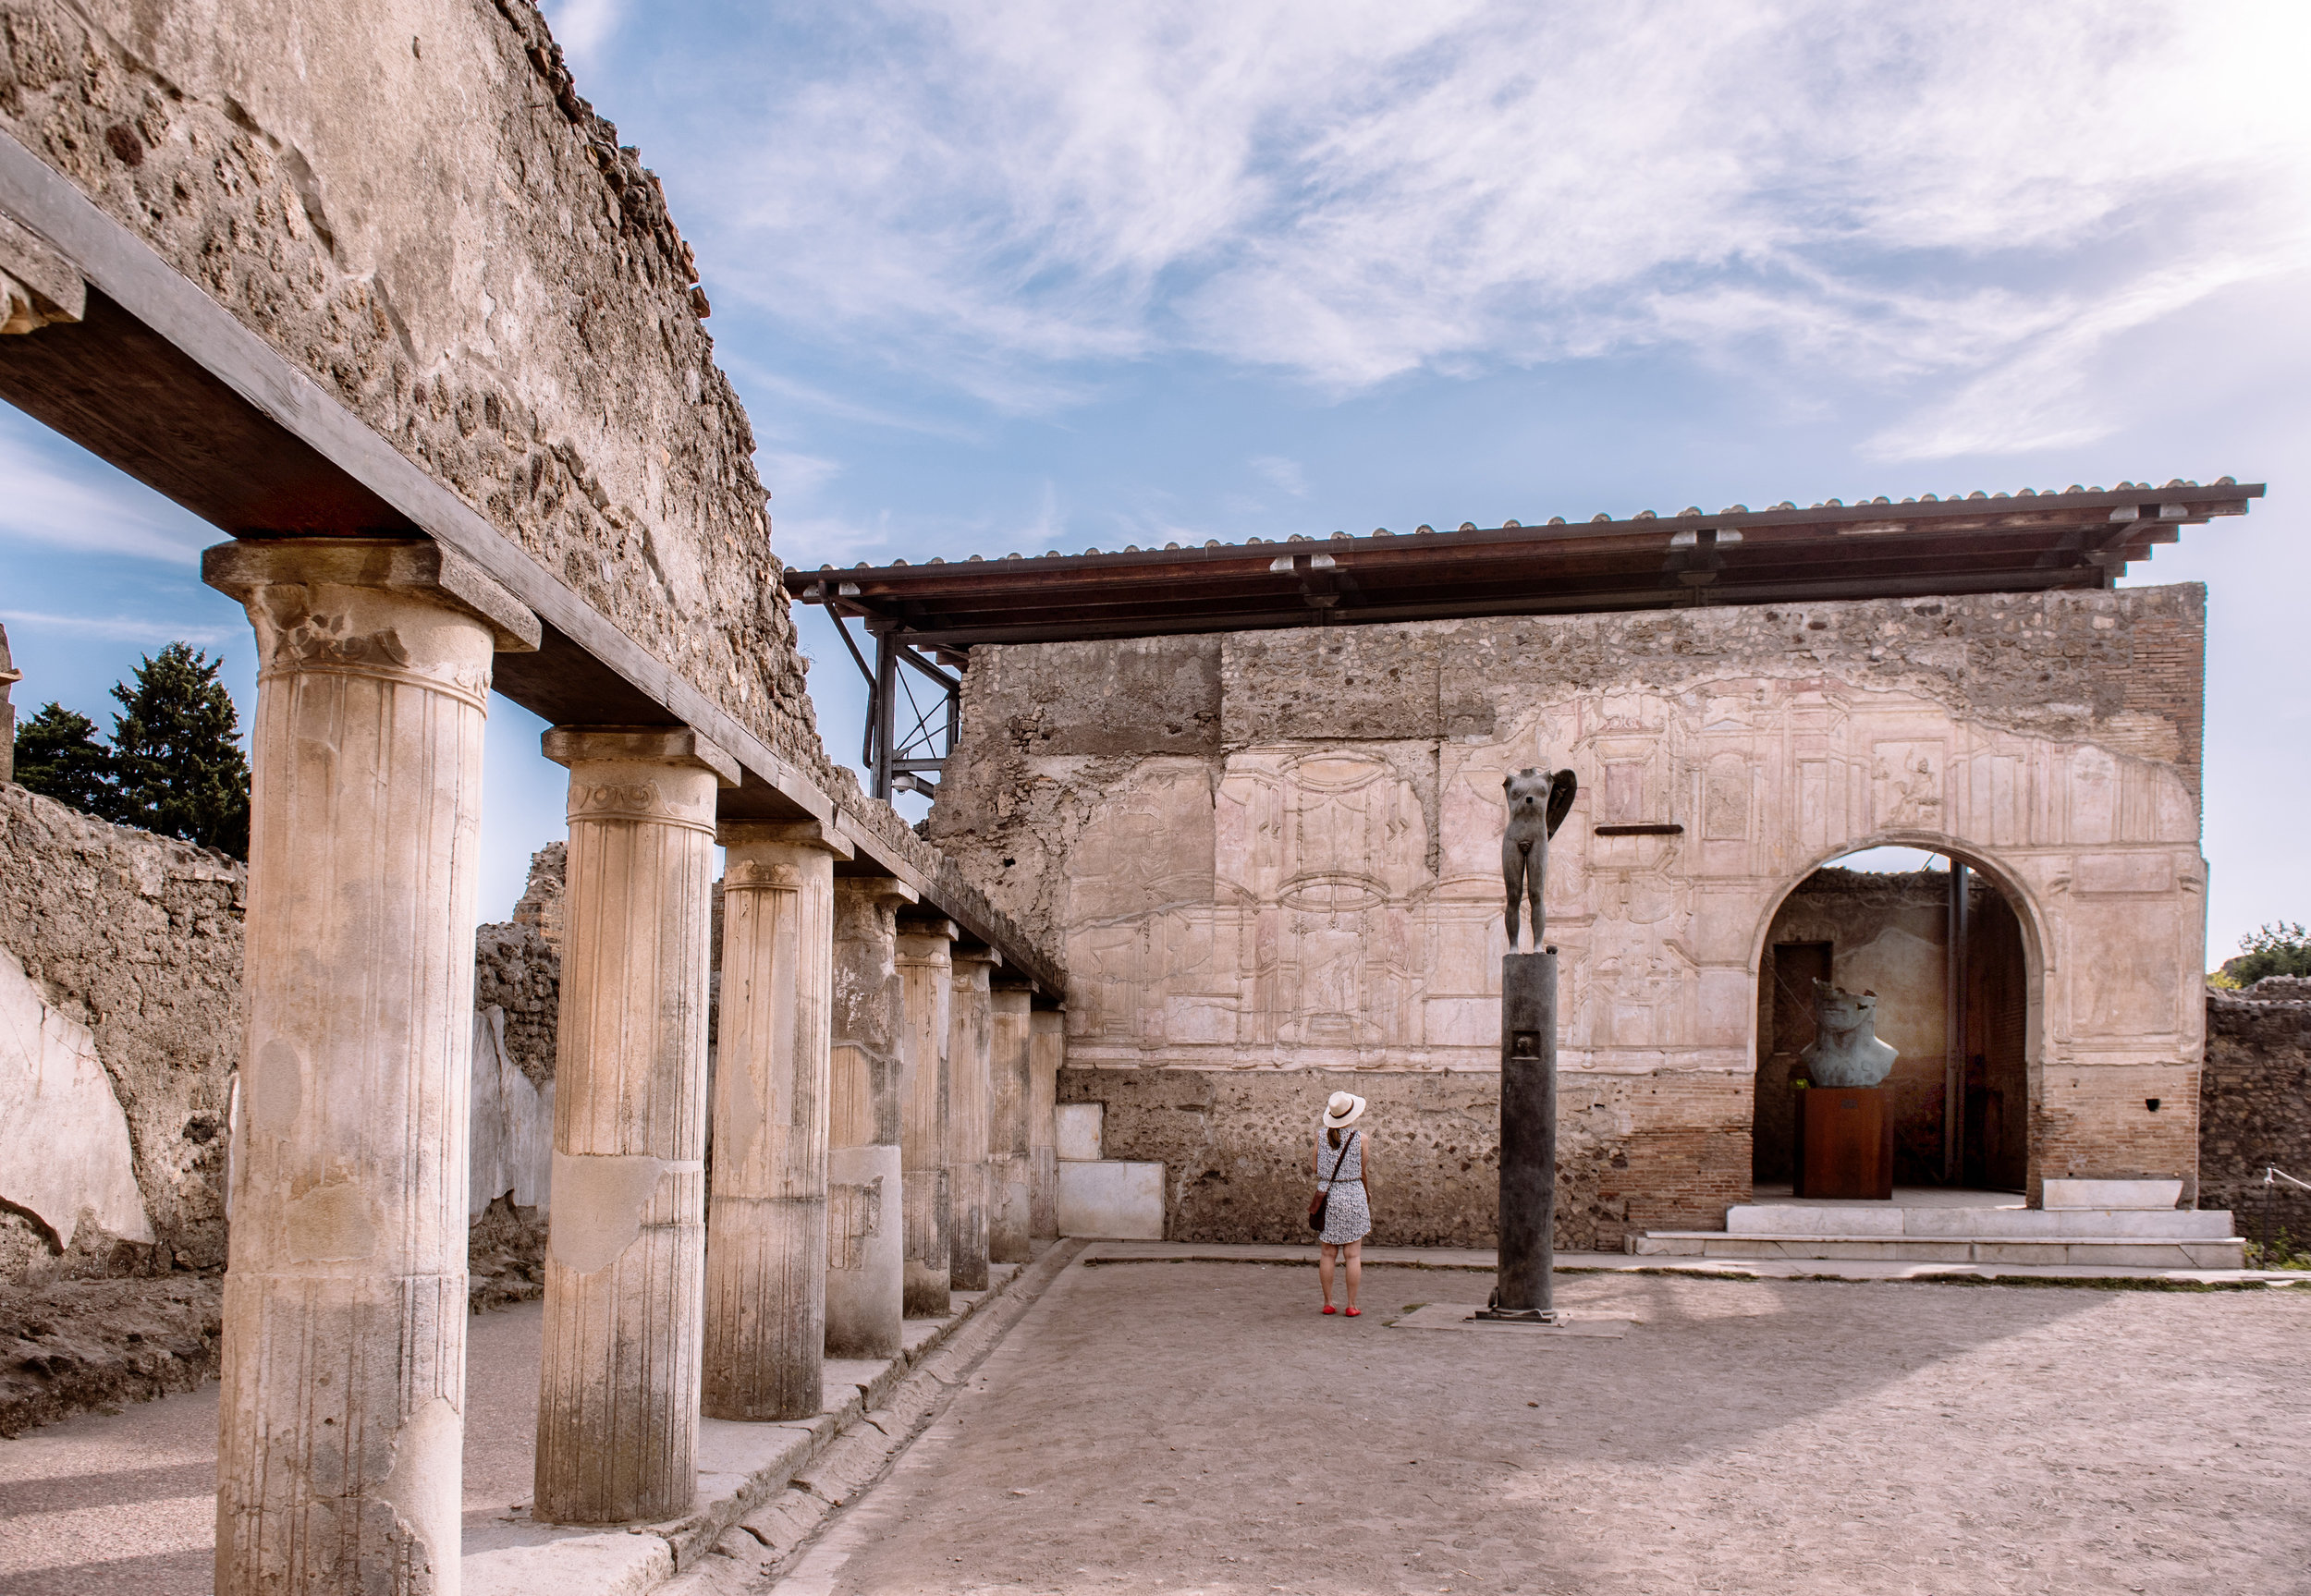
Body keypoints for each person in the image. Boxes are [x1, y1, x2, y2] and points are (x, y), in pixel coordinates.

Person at [1312, 1090, 1373, 1315]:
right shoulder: (1361, 1138)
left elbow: (1315, 1168)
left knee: (1328, 1254)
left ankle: (1328, 1302)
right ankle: (1351, 1305)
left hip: (1329, 1197)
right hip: (1354, 1196)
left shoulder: (1320, 1136)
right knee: (1353, 1255)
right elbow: (1362, 1168)